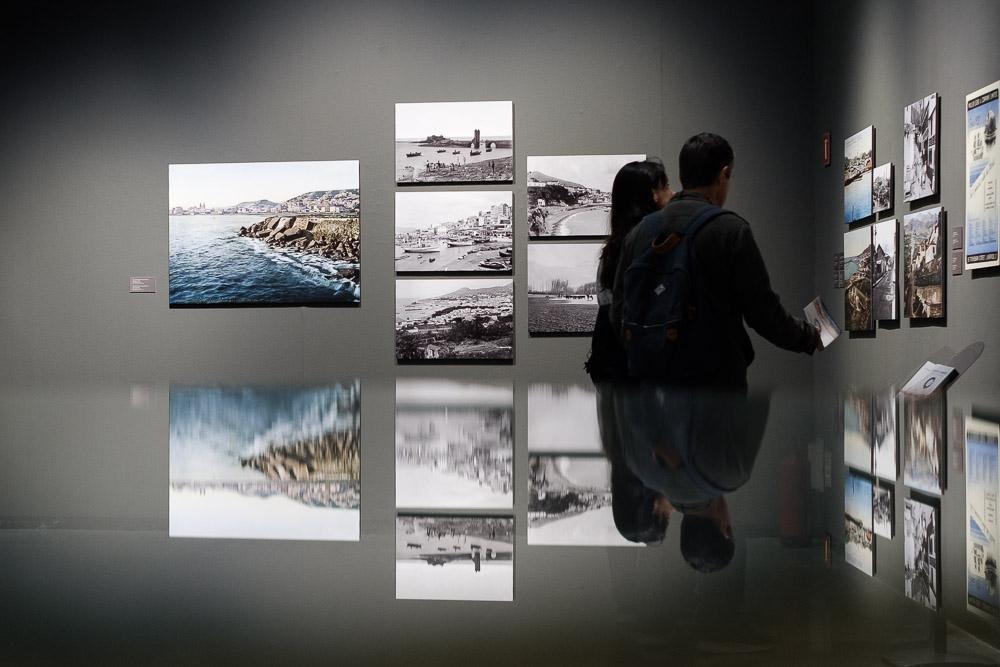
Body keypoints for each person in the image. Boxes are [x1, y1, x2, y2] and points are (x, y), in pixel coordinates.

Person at [610, 133, 821, 387]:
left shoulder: (640, 233)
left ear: (683, 175)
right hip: (716, 387)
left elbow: (619, 310)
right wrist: (808, 337)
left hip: (653, 387)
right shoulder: (730, 230)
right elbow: (763, 313)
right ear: (723, 174)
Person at [585, 159, 674, 381]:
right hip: (638, 359)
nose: (672, 193)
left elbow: (607, 304)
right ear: (653, 195)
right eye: (666, 187)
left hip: (607, 353)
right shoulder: (654, 244)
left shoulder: (612, 249)